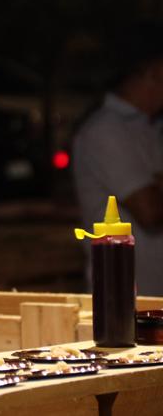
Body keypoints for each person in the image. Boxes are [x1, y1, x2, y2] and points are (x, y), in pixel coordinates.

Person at [72, 22, 163, 296]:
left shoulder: (150, 127)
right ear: (153, 71)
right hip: (123, 298)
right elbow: (149, 210)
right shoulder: (105, 130)